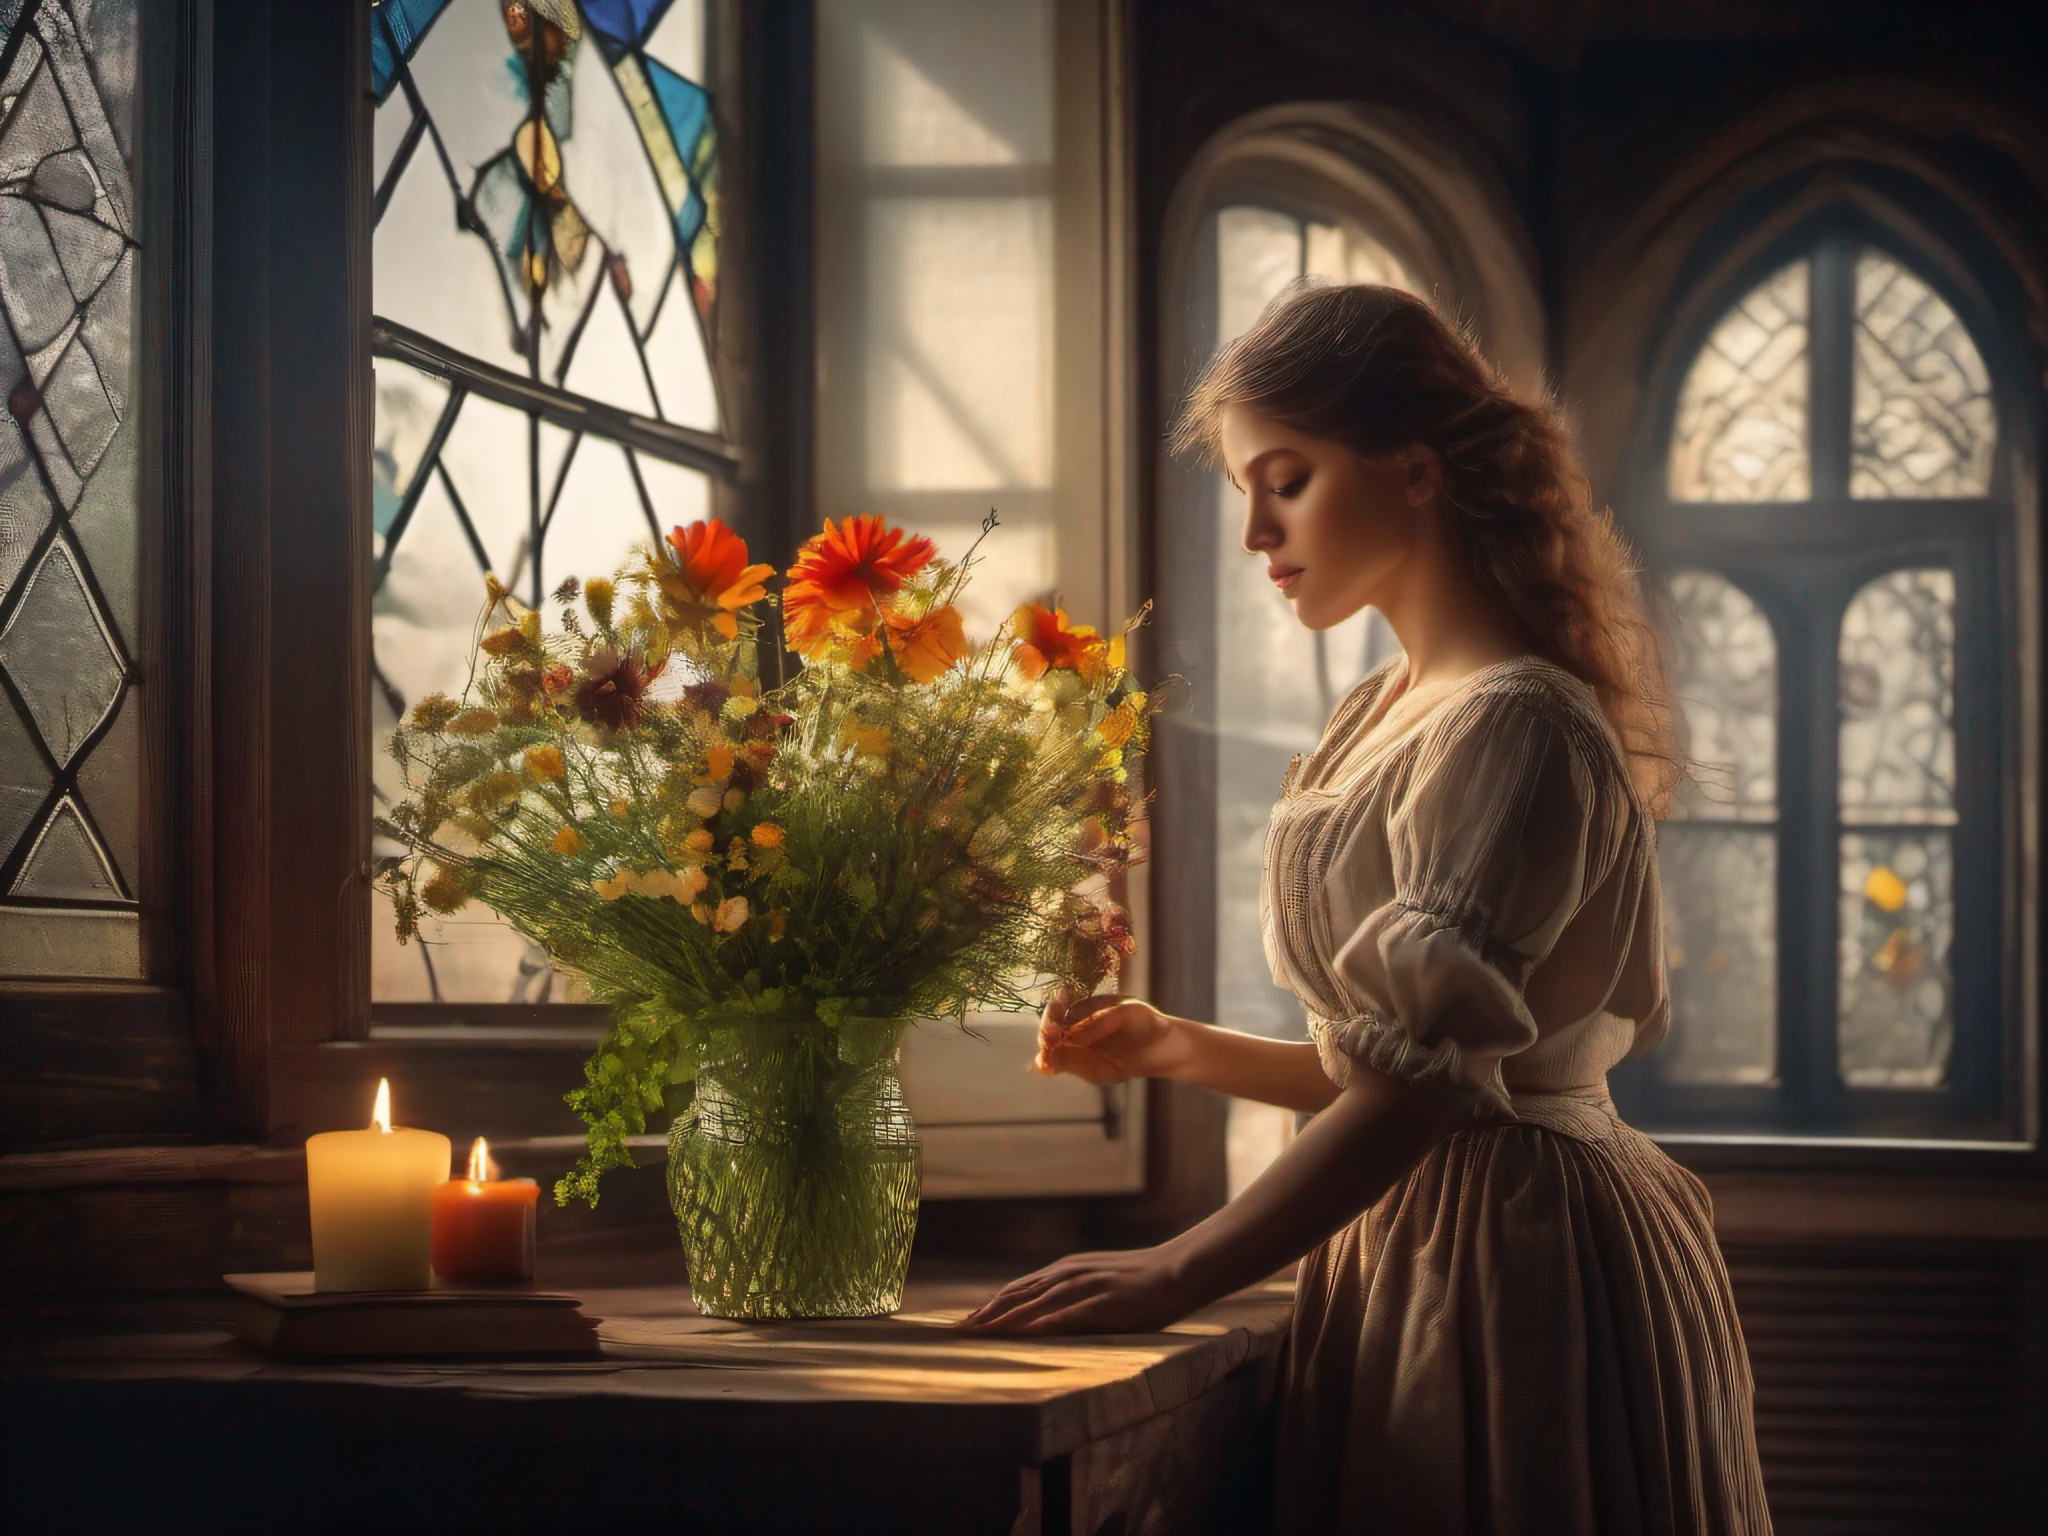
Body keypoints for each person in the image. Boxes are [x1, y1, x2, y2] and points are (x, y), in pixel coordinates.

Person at [956, 282, 1773, 1532]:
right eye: (1242, 491)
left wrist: (1176, 1267)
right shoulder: (1380, 712)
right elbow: (1398, 1067)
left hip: (1514, 1267)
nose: (1253, 532)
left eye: (1282, 480)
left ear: (1414, 470)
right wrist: (1179, 1045)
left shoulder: (1515, 724)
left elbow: (1425, 1093)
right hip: (1417, 1242)